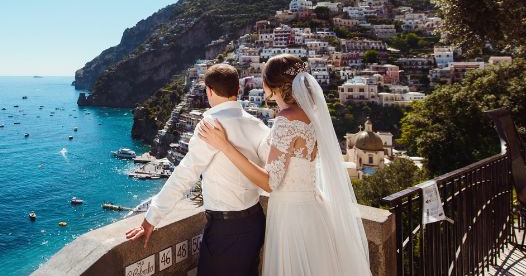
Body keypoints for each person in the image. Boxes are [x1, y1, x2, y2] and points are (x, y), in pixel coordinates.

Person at [197, 54, 371, 276]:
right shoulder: (311, 116)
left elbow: (270, 182)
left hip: (291, 217)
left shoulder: (286, 119)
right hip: (314, 211)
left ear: (269, 85)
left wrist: (224, 145)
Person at [125, 63, 270, 275]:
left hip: (226, 230)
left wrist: (151, 219)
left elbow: (185, 175)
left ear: (209, 91)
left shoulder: (210, 125)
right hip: (256, 222)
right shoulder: (257, 124)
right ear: (237, 90)